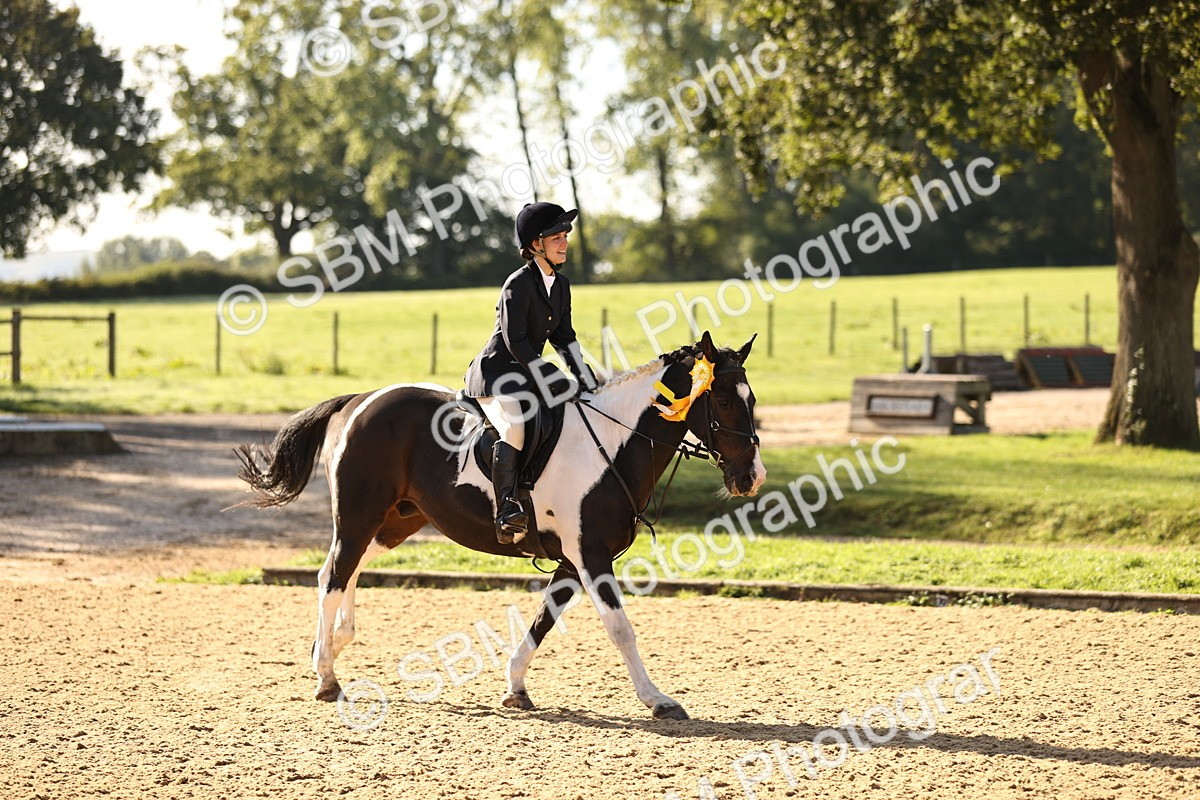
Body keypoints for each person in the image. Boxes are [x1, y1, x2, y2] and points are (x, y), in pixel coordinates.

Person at [464, 201, 597, 544]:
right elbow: (516, 342)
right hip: (495, 376)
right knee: (516, 427)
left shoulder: (561, 285)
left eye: (565, 234)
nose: (565, 241)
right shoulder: (517, 284)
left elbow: (564, 337)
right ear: (535, 244)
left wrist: (585, 377)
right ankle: (506, 509)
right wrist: (548, 374)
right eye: (556, 236)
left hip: (525, 374)